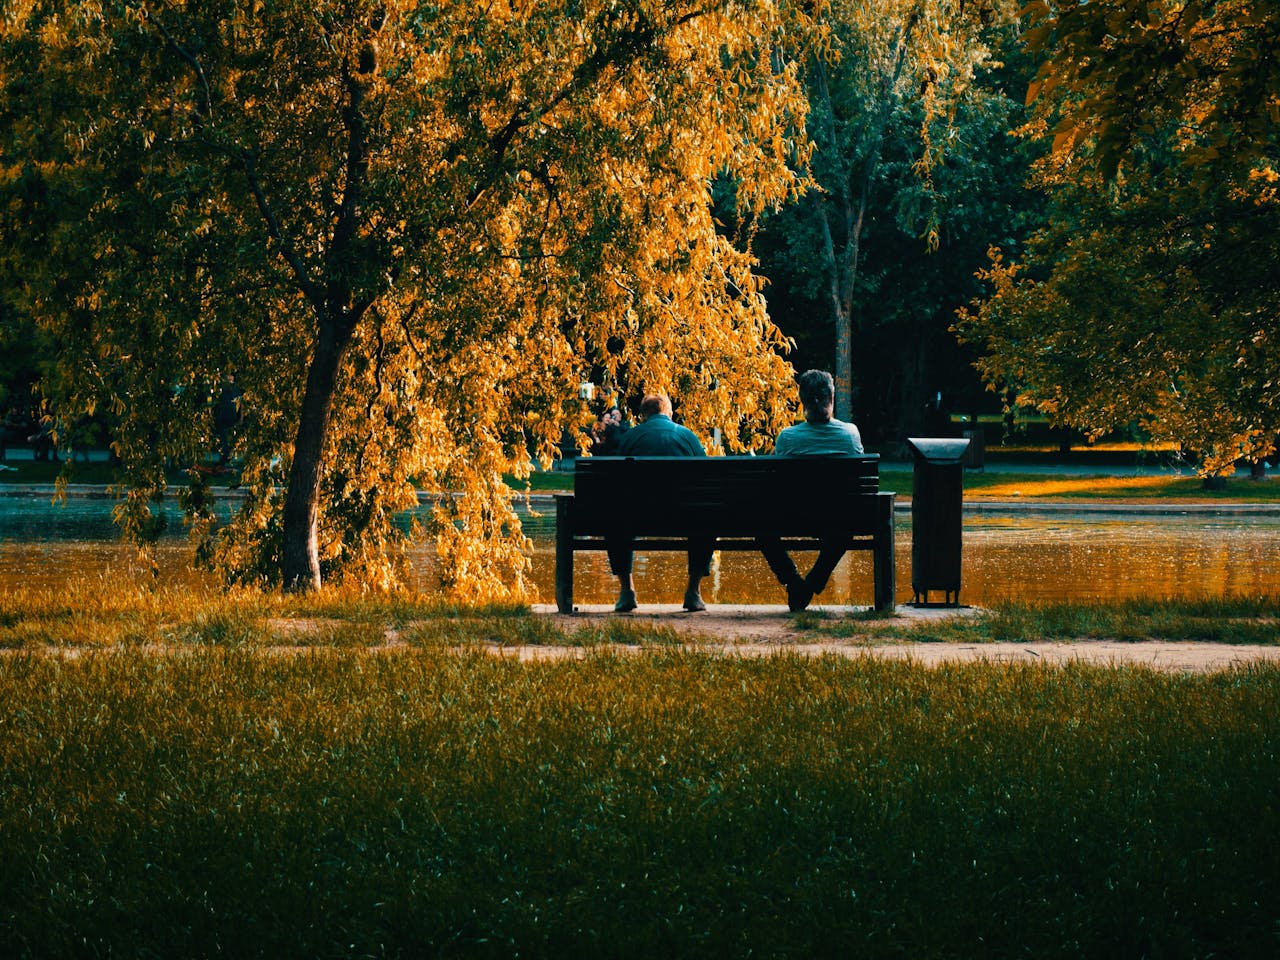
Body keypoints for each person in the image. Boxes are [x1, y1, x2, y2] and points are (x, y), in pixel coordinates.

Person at [760, 369, 864, 612]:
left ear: (802, 400)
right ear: (831, 397)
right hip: (839, 518)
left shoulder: (787, 438)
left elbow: (772, 478)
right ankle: (813, 581)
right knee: (843, 531)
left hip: (792, 517)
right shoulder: (850, 434)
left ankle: (793, 581)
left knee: (762, 530)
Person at [609, 393, 712, 613]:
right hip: (685, 516)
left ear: (643, 415)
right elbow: (705, 476)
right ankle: (693, 592)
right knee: (706, 517)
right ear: (669, 413)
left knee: (616, 518)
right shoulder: (687, 436)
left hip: (636, 517)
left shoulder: (630, 437)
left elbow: (615, 482)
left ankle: (627, 592)